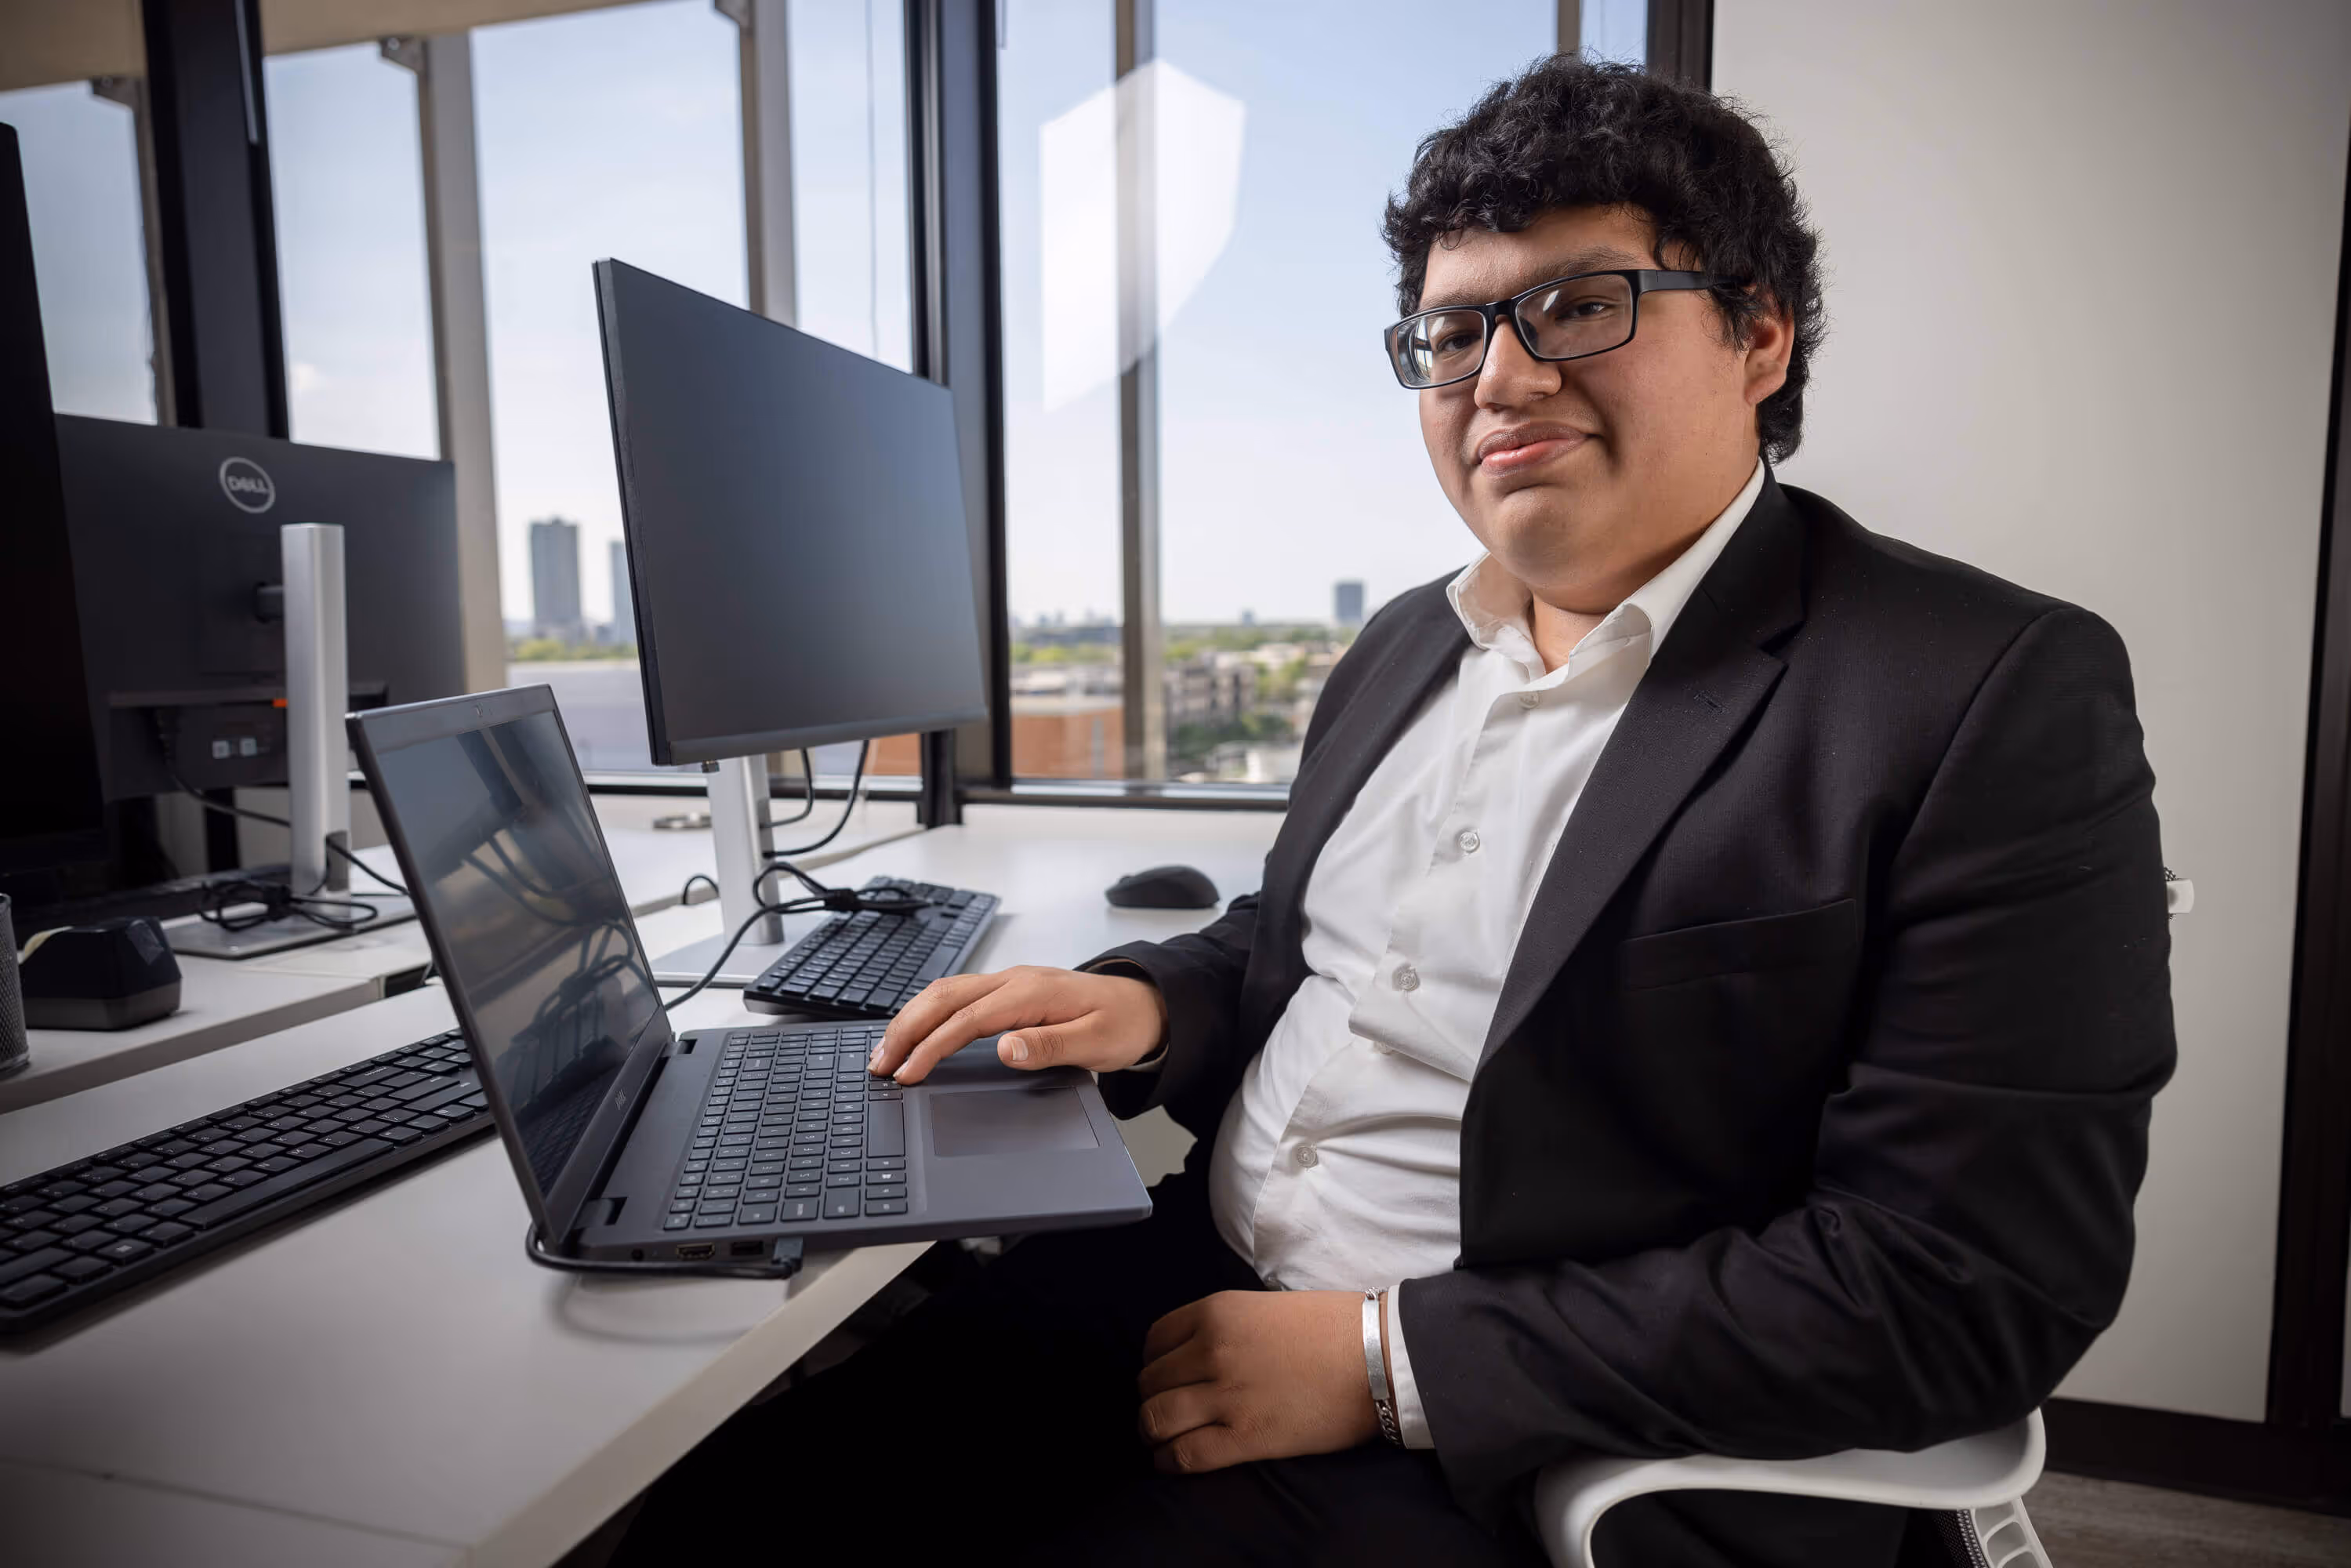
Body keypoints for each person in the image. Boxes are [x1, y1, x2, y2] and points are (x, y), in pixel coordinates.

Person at [615, 54, 2172, 1568]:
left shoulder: (1977, 690)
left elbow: (1964, 1283)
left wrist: (1382, 1358)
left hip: (1514, 1429)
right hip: (1184, 1271)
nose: (1496, 375)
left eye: (1577, 305)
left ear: (1757, 339)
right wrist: (1140, 1004)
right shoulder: (1405, 646)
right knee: (712, 1508)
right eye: (1449, 333)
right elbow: (1303, 953)